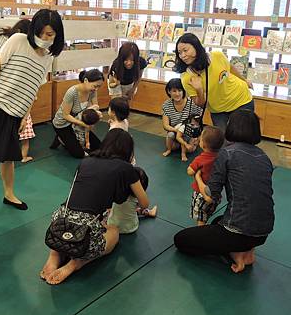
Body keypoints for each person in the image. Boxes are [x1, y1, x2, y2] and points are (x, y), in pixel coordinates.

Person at [0, 9, 64, 210]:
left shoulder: (48, 57)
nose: (44, 38)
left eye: (50, 34)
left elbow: (33, 87)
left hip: (14, 113)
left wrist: (25, 115)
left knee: (8, 157)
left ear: (57, 34)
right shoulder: (18, 40)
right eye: (41, 33)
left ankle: (9, 194)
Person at [40, 129, 150, 285]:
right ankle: (76, 263)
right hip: (85, 232)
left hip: (58, 222)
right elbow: (145, 203)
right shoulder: (126, 169)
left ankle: (54, 256)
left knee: (71, 229)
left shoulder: (86, 161)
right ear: (127, 150)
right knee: (114, 232)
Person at [174, 110, 274, 274]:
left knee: (181, 240)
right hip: (264, 232)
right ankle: (247, 251)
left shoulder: (227, 153)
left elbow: (210, 196)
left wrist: (198, 177)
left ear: (232, 128)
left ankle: (237, 253)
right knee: (217, 221)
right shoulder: (264, 156)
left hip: (238, 230)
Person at [175, 33, 254, 131]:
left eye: (185, 50)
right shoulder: (186, 77)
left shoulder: (217, 55)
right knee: (222, 141)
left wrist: (244, 80)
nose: (183, 56)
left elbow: (230, 68)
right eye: (179, 52)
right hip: (218, 110)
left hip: (241, 100)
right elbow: (200, 104)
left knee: (243, 137)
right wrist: (199, 90)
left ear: (197, 47)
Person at [50, 69, 104, 158]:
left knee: (99, 146)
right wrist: (84, 124)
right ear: (86, 80)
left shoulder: (92, 91)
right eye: (95, 86)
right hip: (63, 123)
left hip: (77, 121)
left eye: (99, 87)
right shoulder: (72, 92)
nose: (96, 89)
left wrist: (96, 113)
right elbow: (65, 115)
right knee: (79, 154)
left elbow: (96, 105)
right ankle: (60, 138)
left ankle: (67, 137)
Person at [187, 126, 224, 226]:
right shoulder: (222, 157)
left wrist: (194, 170)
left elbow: (190, 172)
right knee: (207, 212)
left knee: (200, 216)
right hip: (216, 193)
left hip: (201, 193)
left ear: (203, 144)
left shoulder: (201, 159)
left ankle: (200, 233)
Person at [161, 78, 203, 160]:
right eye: (174, 91)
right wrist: (178, 131)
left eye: (180, 90)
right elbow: (165, 125)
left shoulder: (192, 103)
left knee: (191, 150)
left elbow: (198, 122)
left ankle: (184, 146)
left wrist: (195, 139)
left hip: (189, 134)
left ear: (184, 91)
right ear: (169, 91)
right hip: (175, 132)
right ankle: (176, 147)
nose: (177, 94)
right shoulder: (166, 105)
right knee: (171, 139)